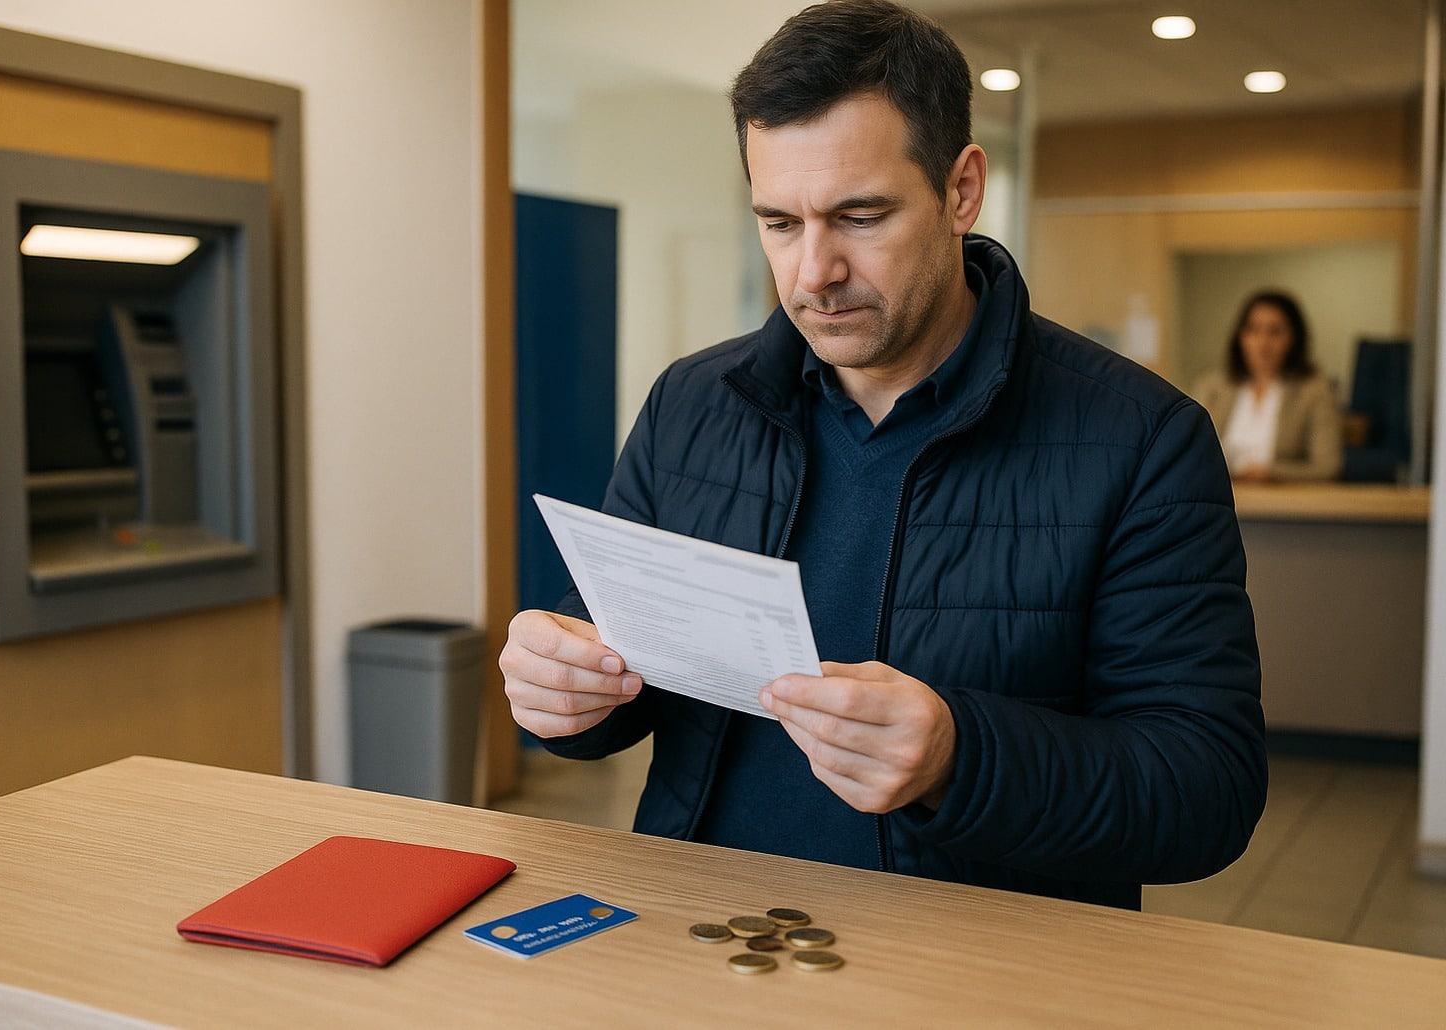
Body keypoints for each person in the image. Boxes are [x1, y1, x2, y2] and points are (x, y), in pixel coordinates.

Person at [500, 0, 1266, 910]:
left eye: (859, 216)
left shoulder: (1141, 438)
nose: (813, 271)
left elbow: (1206, 789)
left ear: (961, 191)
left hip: (969, 972)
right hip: (703, 937)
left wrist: (958, 754)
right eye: (780, 222)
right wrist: (567, 695)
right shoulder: (693, 403)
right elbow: (616, 651)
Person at [1192, 290, 1344, 482]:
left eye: (1274, 332)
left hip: (1282, 502)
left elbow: (1328, 466)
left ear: (1292, 338)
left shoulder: (1314, 391)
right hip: (1216, 493)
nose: (1262, 342)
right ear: (1240, 336)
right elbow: (1191, 455)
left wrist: (1271, 473)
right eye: (1253, 330)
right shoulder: (1211, 387)